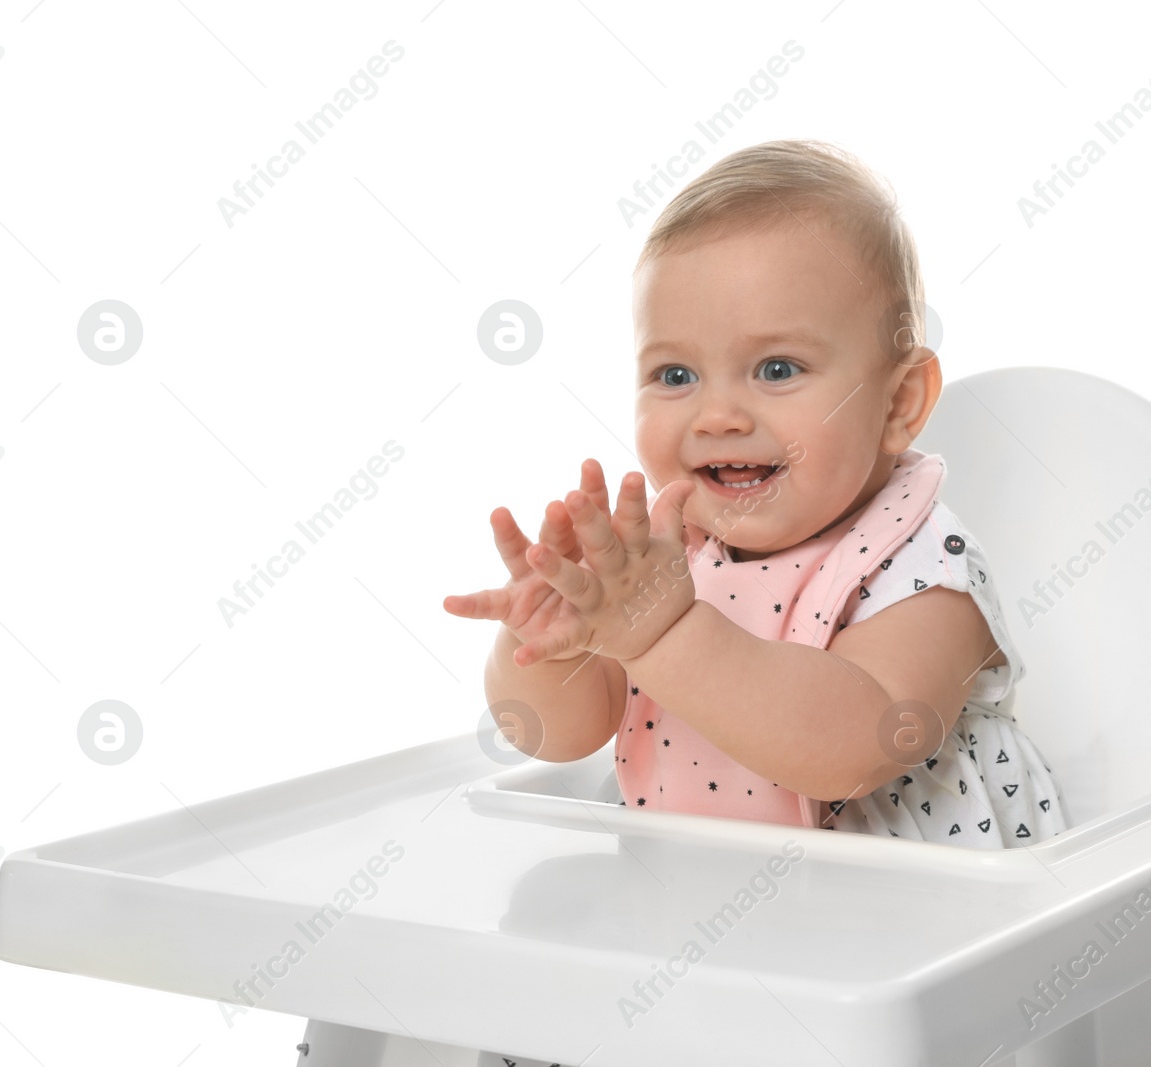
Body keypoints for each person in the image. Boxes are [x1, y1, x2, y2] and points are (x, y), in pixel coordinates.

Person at [444, 139, 1069, 1067]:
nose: (718, 414)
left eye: (776, 369)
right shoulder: (666, 562)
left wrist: (663, 633)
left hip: (909, 944)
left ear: (899, 405)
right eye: (675, 374)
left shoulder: (921, 564)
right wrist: (558, 643)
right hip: (694, 926)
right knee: (512, 977)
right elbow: (555, 735)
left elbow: (854, 745)